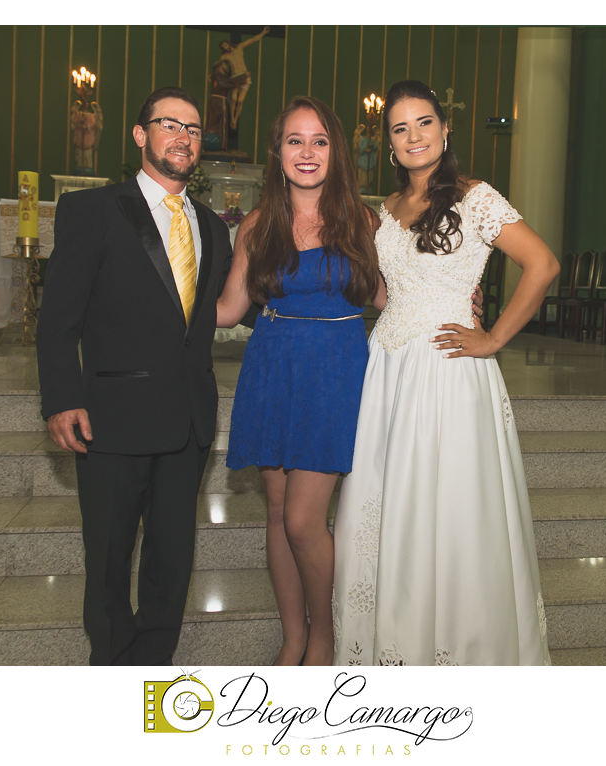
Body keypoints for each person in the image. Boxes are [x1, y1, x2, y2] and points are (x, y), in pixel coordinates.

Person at [331, 80, 559, 666]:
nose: (414, 137)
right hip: (387, 368)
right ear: (388, 142)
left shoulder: (476, 197)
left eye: (424, 123)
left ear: (445, 129)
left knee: (450, 506)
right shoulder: (385, 210)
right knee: (387, 507)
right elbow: (388, 291)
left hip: (449, 368)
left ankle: (459, 647)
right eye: (401, 128)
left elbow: (542, 263)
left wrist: (493, 337)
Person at [37, 86, 237, 666]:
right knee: (107, 559)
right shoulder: (93, 210)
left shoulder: (212, 227)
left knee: (172, 563)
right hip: (111, 420)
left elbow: (222, 308)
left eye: (194, 129)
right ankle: (109, 668)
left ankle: (152, 672)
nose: (183, 137)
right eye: (169, 124)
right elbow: (59, 320)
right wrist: (61, 398)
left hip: (187, 423)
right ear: (140, 134)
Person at [217, 96, 381, 666]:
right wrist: (158, 287)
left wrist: (455, 298)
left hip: (334, 371)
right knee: (275, 511)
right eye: (295, 140)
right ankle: (292, 637)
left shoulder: (363, 221)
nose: (307, 152)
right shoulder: (259, 224)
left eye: (319, 141)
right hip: (272, 367)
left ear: (335, 151)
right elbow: (228, 308)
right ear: (277, 151)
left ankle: (325, 637)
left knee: (303, 518)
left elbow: (391, 296)